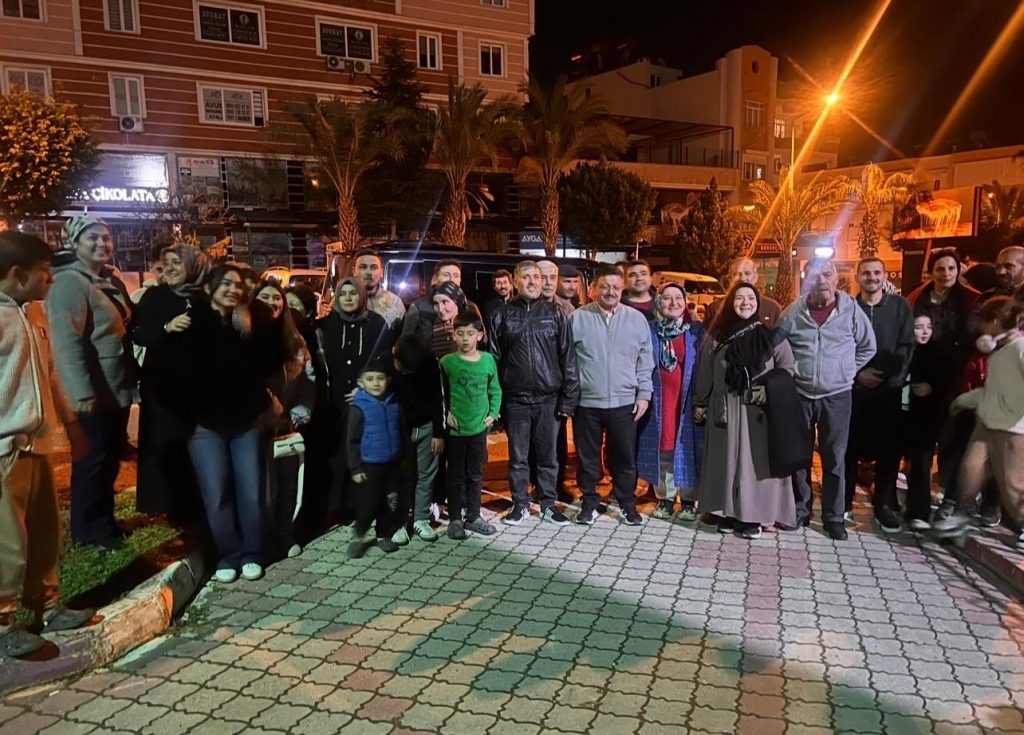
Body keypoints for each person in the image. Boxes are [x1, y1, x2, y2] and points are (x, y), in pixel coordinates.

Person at [0, 232, 95, 659]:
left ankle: (48, 606)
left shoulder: (34, 312)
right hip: (4, 450)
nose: (50, 279)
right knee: (7, 542)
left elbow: (51, 374)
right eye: (43, 272)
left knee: (44, 532)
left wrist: (71, 426)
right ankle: (2, 623)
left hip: (36, 447)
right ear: (17, 275)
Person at [181, 264, 288, 583]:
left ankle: (253, 552)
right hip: (204, 424)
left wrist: (252, 326)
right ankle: (228, 555)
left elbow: (272, 361)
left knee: (251, 491)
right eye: (226, 284)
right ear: (210, 288)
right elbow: (173, 371)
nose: (233, 289)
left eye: (238, 285)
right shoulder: (191, 323)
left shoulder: (248, 321)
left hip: (246, 421)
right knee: (216, 493)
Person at [46, 215, 137, 549]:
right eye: (92, 238)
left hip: (114, 387)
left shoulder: (106, 279)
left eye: (106, 237)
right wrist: (81, 393)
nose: (102, 244)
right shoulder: (69, 282)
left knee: (108, 458)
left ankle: (104, 522)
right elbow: (67, 342)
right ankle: (88, 531)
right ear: (74, 243)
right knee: (92, 461)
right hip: (93, 391)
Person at [777, 258, 876, 540]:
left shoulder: (851, 311)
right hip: (800, 394)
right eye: (814, 275)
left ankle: (833, 517)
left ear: (836, 279)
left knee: (835, 459)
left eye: (827, 274)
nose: (821, 280)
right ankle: (800, 510)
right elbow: (778, 346)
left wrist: (846, 371)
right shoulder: (793, 312)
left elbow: (868, 346)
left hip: (837, 396)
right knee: (799, 457)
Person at [694, 283, 800, 538]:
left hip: (758, 412)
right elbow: (706, 371)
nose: (745, 303)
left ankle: (754, 517)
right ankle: (728, 512)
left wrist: (769, 388)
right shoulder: (717, 337)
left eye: (750, 298)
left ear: (758, 303)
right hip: (725, 411)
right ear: (730, 303)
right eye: (739, 298)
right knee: (726, 461)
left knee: (756, 465)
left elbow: (788, 369)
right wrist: (700, 403)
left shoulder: (771, 337)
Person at [490, 261, 579, 525]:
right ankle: (520, 504)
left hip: (549, 401)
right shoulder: (502, 315)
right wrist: (496, 404)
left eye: (537, 277)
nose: (532, 282)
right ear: (515, 282)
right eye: (526, 277)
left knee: (548, 457)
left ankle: (548, 504)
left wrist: (568, 400)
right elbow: (493, 360)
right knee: (518, 458)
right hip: (515, 402)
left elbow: (568, 358)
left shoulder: (555, 313)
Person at [933, 297, 1024, 549]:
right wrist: (965, 400)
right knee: (970, 469)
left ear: (994, 321)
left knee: (1013, 485)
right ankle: (960, 516)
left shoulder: (1019, 349)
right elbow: (993, 389)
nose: (980, 328)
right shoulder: (1000, 350)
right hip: (986, 422)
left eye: (983, 321)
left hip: (1011, 428)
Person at [570, 265, 654, 525]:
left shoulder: (636, 320)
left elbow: (645, 361)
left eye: (616, 287)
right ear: (594, 288)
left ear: (622, 289)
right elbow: (567, 361)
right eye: (605, 286)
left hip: (624, 403)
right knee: (587, 459)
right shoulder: (577, 318)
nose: (610, 292)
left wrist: (644, 394)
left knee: (624, 458)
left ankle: (627, 504)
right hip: (587, 403)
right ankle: (589, 502)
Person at [132, 243, 209, 523]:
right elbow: (138, 334)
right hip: (162, 388)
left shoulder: (205, 297)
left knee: (197, 446)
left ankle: (198, 503)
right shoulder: (154, 296)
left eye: (178, 262)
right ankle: (170, 506)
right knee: (167, 446)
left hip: (199, 388)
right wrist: (166, 327)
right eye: (167, 263)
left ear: (194, 266)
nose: (170, 268)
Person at [314, 277, 393, 524]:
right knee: (336, 455)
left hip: (365, 401)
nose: (348, 298)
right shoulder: (325, 325)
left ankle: (363, 507)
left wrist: (365, 389)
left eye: (353, 293)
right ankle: (336, 508)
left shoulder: (376, 324)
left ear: (362, 296)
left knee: (363, 453)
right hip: (332, 403)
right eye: (343, 294)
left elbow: (383, 361)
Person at [844, 257, 915, 532]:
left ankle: (883, 504)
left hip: (888, 391)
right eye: (866, 273)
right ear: (857, 277)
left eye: (876, 272)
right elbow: (841, 346)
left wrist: (887, 377)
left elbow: (906, 346)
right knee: (848, 448)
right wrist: (857, 374)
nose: (871, 277)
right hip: (854, 390)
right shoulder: (848, 308)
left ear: (884, 276)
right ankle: (844, 502)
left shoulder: (900, 307)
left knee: (889, 451)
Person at [252, 281, 315, 560]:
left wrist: (296, 416)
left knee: (288, 485)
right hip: (253, 428)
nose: (271, 302)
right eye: (264, 297)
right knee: (261, 489)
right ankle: (262, 542)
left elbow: (308, 383)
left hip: (287, 426)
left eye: (276, 298)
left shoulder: (295, 341)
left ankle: (284, 534)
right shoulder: (246, 337)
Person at [638, 283, 705, 522]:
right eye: (667, 298)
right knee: (663, 450)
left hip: (687, 401)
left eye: (679, 298)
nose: (674, 302)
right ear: (658, 303)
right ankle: (665, 498)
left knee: (687, 449)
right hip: (659, 400)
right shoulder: (649, 331)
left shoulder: (696, 331)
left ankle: (688, 501)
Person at [440, 312, 502, 539]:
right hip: (456, 431)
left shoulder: (488, 360)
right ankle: (455, 518)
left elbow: (495, 389)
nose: (465, 338)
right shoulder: (447, 362)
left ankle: (474, 516)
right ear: (453, 335)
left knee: (475, 474)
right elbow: (440, 394)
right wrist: (446, 414)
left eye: (470, 333)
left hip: (478, 430)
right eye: (460, 334)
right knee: (455, 474)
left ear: (480, 336)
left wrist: (493, 414)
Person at [346, 356, 405, 559]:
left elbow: (401, 432)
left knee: (390, 502)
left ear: (388, 380)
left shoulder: (394, 403)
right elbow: (352, 440)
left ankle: (383, 534)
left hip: (392, 463)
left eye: (380, 378)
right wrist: (355, 468)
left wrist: (404, 457)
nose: (376, 383)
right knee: (369, 503)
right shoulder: (359, 407)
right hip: (369, 464)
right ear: (361, 383)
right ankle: (359, 535)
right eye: (370, 379)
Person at [391, 335, 445, 542]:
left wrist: (438, 433)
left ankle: (420, 519)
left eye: (410, 370)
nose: (404, 372)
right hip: (399, 428)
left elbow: (437, 398)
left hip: (426, 426)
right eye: (402, 367)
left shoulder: (429, 363)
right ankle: (399, 522)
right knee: (402, 476)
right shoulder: (386, 362)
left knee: (426, 474)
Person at [900, 311, 945, 530]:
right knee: (893, 461)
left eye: (928, 327)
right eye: (919, 327)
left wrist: (931, 388)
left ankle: (920, 511)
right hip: (899, 414)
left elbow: (946, 384)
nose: (925, 332)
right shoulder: (901, 351)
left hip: (925, 417)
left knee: (921, 464)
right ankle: (891, 504)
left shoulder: (937, 354)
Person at [703, 257, 783, 328]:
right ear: (730, 279)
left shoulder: (772, 309)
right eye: (736, 274)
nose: (742, 278)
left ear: (755, 277)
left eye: (747, 273)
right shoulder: (714, 310)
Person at [402, 259, 465, 337]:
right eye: (446, 275)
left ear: (460, 280)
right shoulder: (419, 307)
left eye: (456, 276)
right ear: (435, 278)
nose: (452, 279)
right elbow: (406, 340)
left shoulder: (470, 307)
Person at [351, 249, 406, 330]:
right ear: (354, 271)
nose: (369, 272)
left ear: (382, 272)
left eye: (374, 267)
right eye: (363, 267)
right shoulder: (342, 300)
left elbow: (403, 335)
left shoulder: (394, 302)